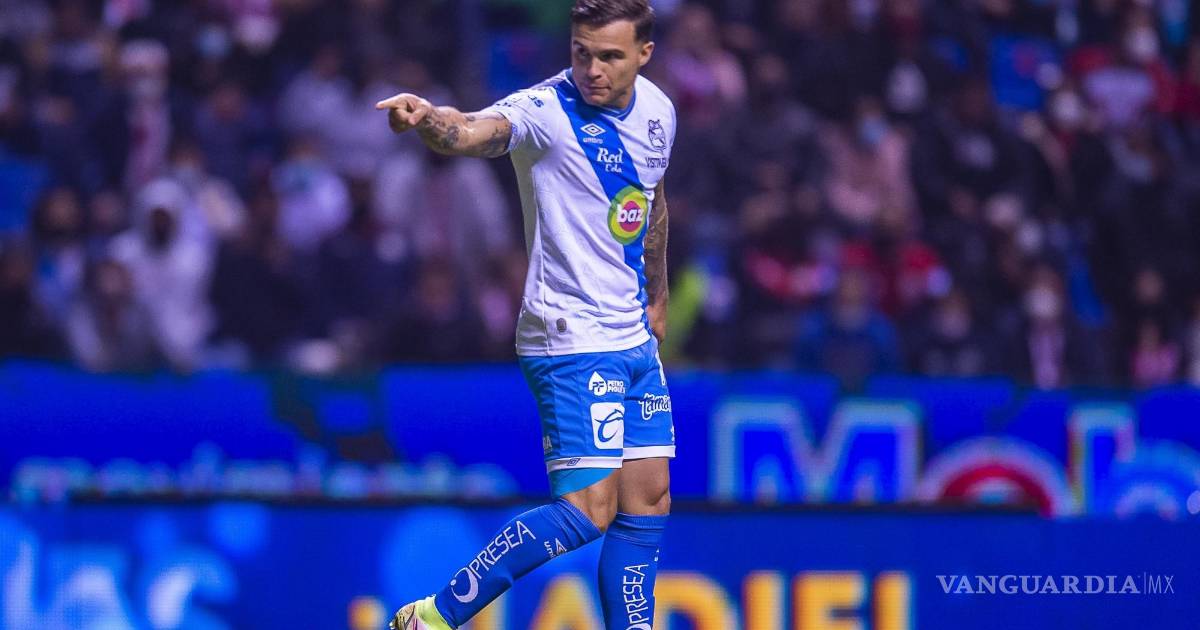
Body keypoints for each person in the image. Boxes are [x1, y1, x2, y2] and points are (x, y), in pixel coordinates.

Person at [374, 1, 675, 629]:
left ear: (643, 55)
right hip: (568, 333)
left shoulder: (658, 113)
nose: (592, 69)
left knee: (648, 499)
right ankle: (433, 615)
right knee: (588, 510)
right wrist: (429, 120)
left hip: (630, 333)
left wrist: (659, 292)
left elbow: (652, 200)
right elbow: (470, 130)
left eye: (610, 56)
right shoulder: (544, 111)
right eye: (581, 53)